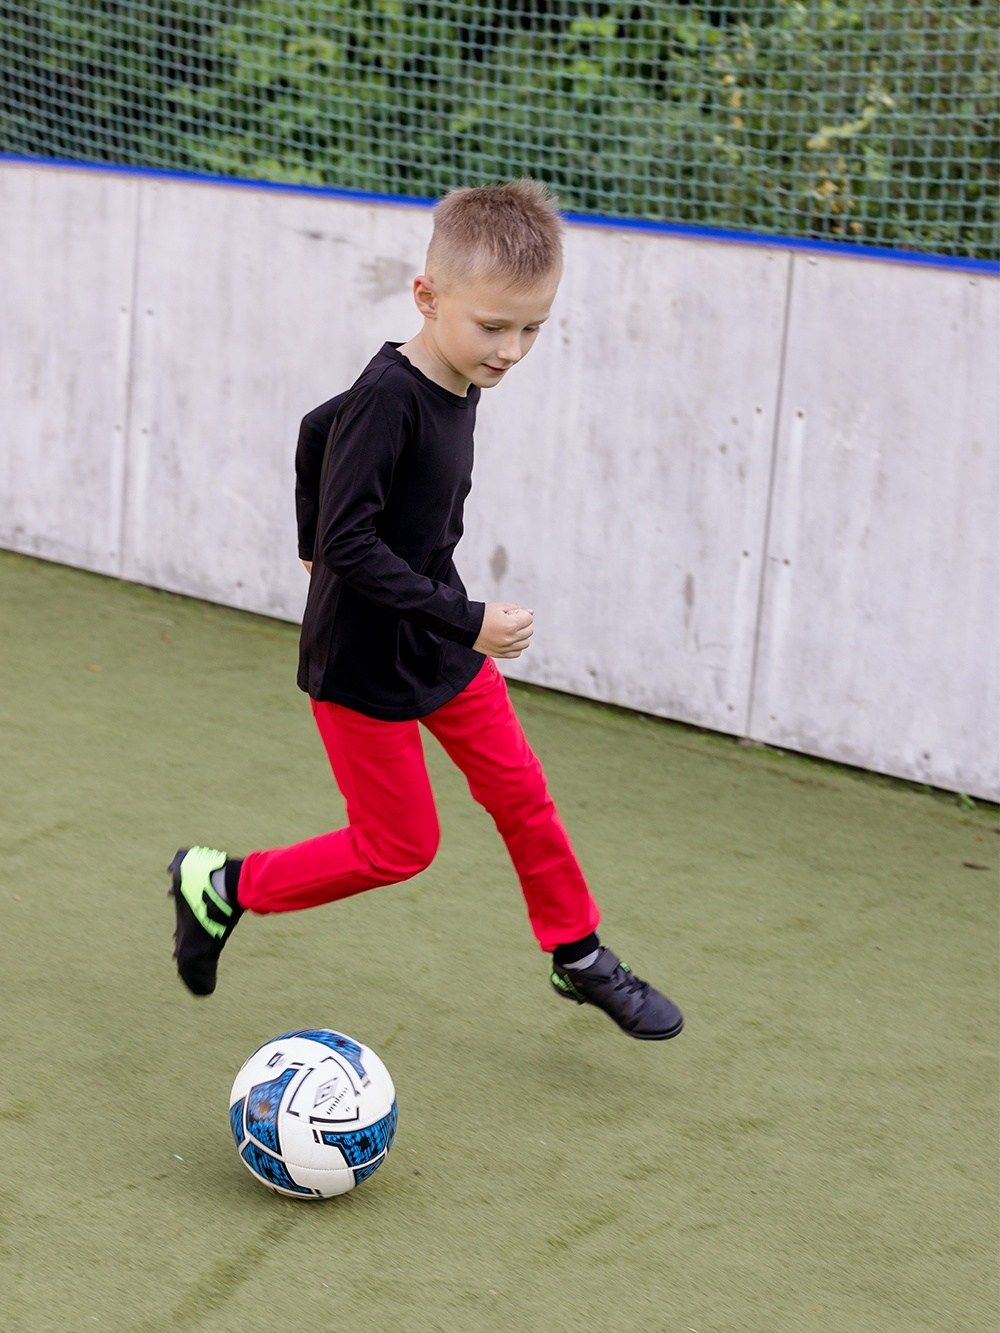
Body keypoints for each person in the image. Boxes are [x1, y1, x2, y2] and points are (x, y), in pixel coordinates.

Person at [167, 178, 683, 1041]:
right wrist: (463, 614)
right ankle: (223, 886)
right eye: (494, 326)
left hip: (436, 646)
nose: (513, 350)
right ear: (427, 295)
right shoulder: (390, 396)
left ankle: (579, 951)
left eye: (533, 329)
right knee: (398, 847)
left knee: (522, 791)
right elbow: (352, 543)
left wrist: (313, 534)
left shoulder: (461, 376)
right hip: (363, 661)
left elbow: (309, 427)